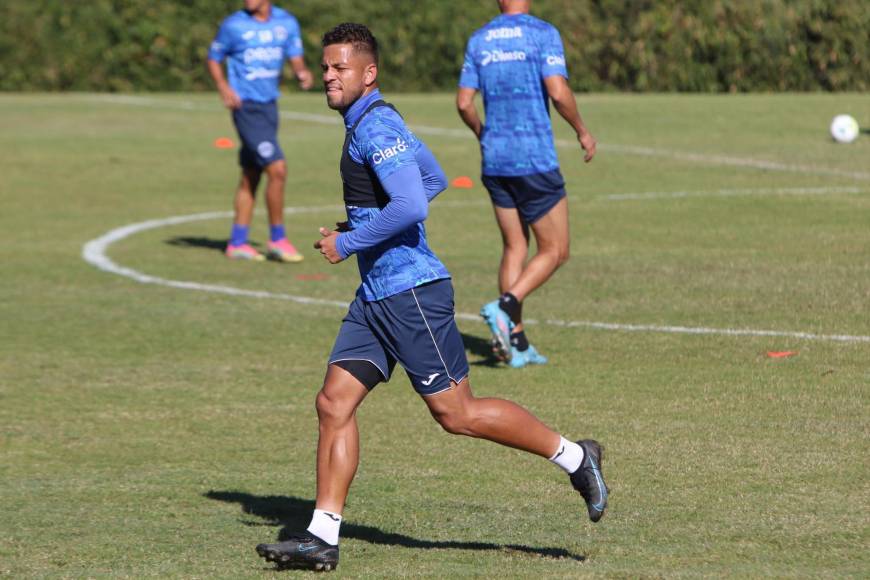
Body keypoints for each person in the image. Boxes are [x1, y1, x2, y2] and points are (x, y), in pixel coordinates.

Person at [254, 22, 608, 572]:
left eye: (339, 67)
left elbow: (414, 203)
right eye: (324, 67)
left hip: (411, 293)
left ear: (369, 73)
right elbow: (433, 178)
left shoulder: (376, 126)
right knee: (333, 403)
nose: (328, 76)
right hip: (377, 295)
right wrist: (366, 223)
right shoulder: (369, 122)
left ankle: (576, 456)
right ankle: (322, 536)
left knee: (457, 414)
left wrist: (349, 241)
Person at [456, 0, 597, 367]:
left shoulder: (480, 39)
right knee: (556, 250)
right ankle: (505, 306)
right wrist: (582, 130)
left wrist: (483, 134)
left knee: (515, 246)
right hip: (532, 159)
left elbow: (464, 102)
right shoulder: (542, 33)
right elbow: (558, 91)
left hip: (495, 159)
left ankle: (515, 342)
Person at [207, 0, 313, 262]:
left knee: (251, 175)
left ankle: (237, 243)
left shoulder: (286, 22)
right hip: (245, 107)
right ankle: (278, 240)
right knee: (277, 169)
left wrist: (301, 72)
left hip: (269, 107)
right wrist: (224, 87)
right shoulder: (234, 25)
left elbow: (295, 55)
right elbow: (214, 58)